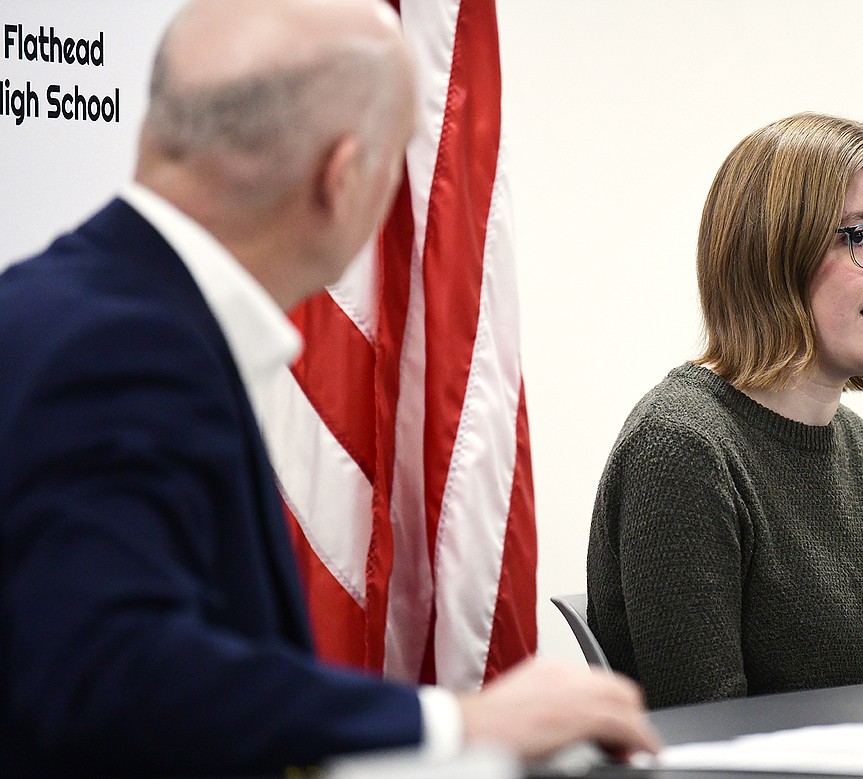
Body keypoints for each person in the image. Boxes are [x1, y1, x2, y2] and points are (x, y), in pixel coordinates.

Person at [0, 0, 658, 775]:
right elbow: (114, 675)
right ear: (343, 180)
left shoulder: (65, 304)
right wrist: (461, 720)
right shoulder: (126, 348)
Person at [587, 112, 863, 710]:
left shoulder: (856, 446)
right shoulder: (681, 448)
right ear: (769, 256)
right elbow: (708, 740)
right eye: (861, 235)